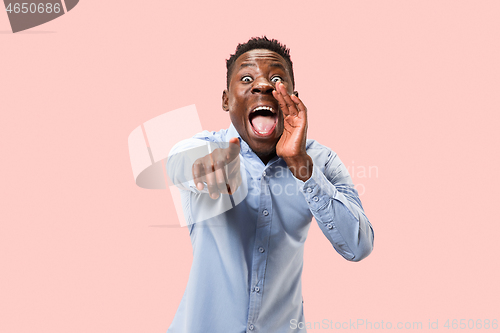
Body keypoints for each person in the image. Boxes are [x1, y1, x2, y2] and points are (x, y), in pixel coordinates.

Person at [166, 36, 374, 333]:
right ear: (226, 99)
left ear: (293, 97)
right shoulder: (204, 148)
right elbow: (178, 164)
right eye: (247, 78)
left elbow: (359, 246)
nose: (263, 86)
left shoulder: (321, 161)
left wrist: (303, 167)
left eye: (276, 79)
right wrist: (202, 168)